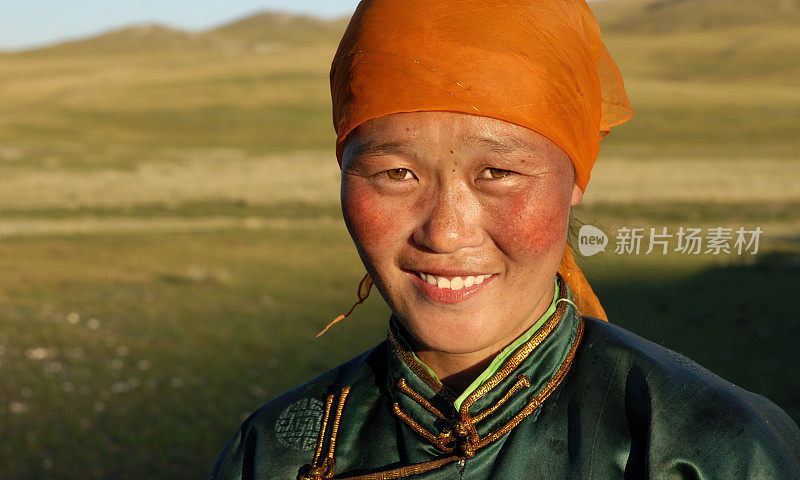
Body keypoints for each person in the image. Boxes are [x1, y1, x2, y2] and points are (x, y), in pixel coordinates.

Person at [208, 0, 800, 478]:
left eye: (498, 173)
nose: (445, 231)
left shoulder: (704, 449)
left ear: (575, 179)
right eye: (395, 174)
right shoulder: (278, 450)